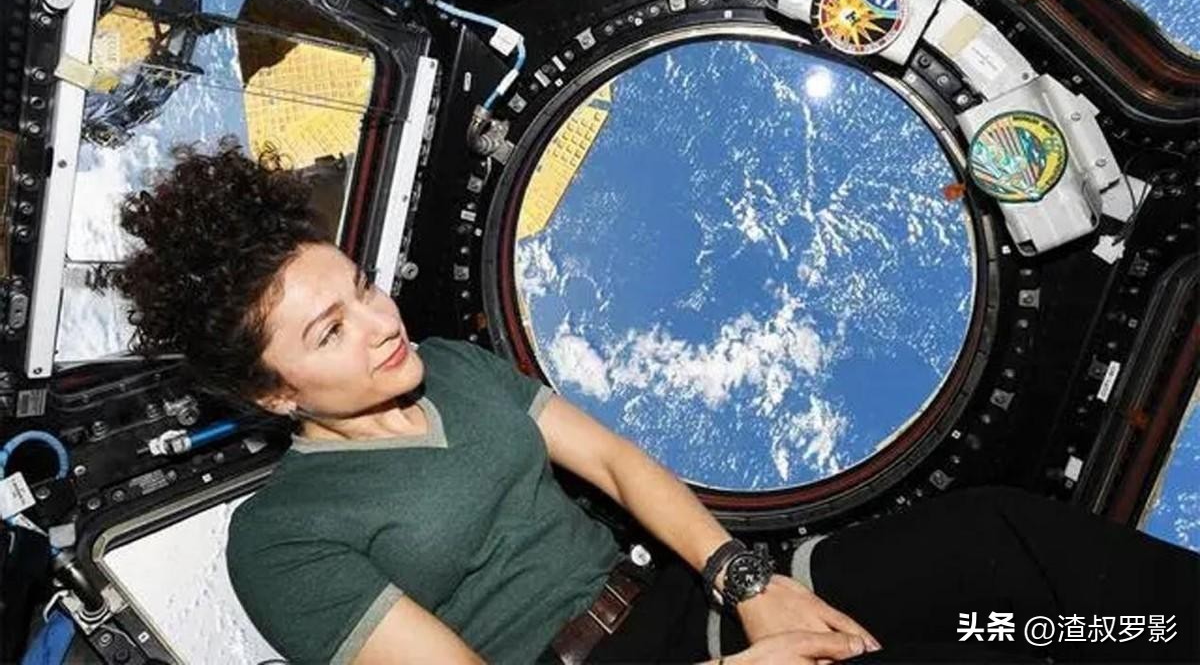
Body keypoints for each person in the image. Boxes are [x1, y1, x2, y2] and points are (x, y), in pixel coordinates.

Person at [113, 142, 1198, 665]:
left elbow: (618, 466)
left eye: (359, 286)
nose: (378, 321)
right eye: (330, 331)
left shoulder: (450, 364)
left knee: (994, 550)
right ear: (271, 391)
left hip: (684, 605)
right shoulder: (282, 542)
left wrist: (751, 588)